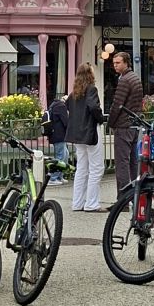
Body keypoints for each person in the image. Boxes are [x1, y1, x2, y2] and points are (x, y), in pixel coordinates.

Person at [65, 65, 104, 211]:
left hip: (78, 134)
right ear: (90, 74)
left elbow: (67, 105)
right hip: (91, 130)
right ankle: (92, 203)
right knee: (96, 168)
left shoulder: (75, 92)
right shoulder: (91, 89)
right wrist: (100, 119)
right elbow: (93, 107)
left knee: (81, 168)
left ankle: (77, 203)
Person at [106, 51, 143, 198]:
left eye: (118, 63)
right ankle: (135, 196)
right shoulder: (135, 78)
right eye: (114, 63)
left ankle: (123, 198)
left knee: (122, 163)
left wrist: (111, 123)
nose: (115, 66)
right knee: (133, 163)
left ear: (126, 63)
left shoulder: (124, 80)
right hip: (134, 125)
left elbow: (117, 105)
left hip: (123, 126)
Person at [43, 92, 70, 185]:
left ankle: (59, 176)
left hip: (56, 134)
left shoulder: (54, 105)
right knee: (61, 156)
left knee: (65, 155)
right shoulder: (61, 107)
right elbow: (66, 121)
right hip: (59, 135)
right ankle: (53, 178)